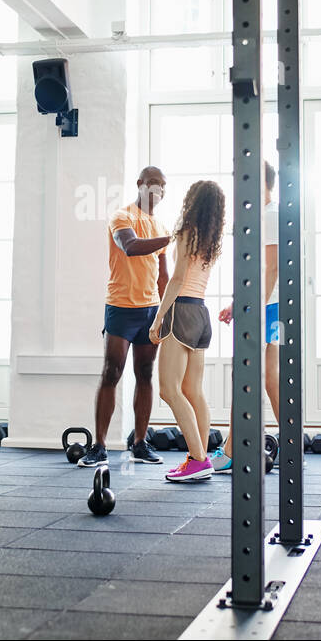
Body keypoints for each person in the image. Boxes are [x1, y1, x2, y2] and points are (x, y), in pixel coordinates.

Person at [78, 167, 172, 469]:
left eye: (163, 186)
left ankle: (139, 443)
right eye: (154, 184)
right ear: (141, 185)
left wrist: (165, 310)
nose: (159, 190)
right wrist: (170, 238)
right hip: (120, 307)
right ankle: (99, 445)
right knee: (112, 371)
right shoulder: (123, 216)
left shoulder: (159, 224)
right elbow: (130, 247)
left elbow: (163, 275)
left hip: (150, 310)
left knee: (145, 373)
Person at [150, 179, 225, 483]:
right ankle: (198, 458)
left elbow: (178, 279)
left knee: (169, 389)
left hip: (181, 310)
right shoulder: (211, 239)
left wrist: (158, 319)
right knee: (193, 391)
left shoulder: (186, 233)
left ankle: (198, 459)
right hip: (201, 314)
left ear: (191, 202)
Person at [213, 160, 279, 473]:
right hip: (270, 309)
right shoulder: (267, 213)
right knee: (270, 378)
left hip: (266, 309)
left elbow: (271, 268)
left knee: (245, 377)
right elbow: (256, 270)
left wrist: (251, 311)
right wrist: (236, 301)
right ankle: (295, 446)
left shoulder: (268, 215)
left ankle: (230, 450)